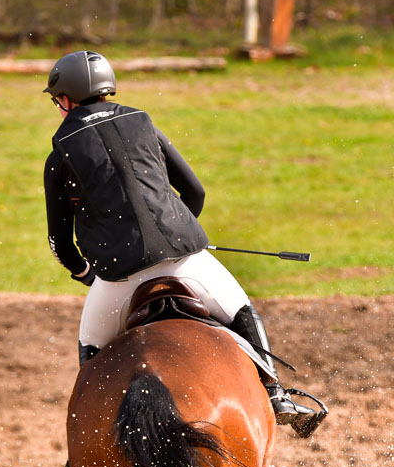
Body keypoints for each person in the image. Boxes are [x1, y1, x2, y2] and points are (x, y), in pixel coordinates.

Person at [43, 50, 325, 437]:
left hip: (119, 280)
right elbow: (194, 192)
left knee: (91, 351)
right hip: (186, 261)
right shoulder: (142, 122)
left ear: (65, 99)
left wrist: (86, 273)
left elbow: (59, 242)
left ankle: (91, 435)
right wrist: (173, 233)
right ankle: (276, 394)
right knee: (241, 309)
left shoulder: (60, 152)